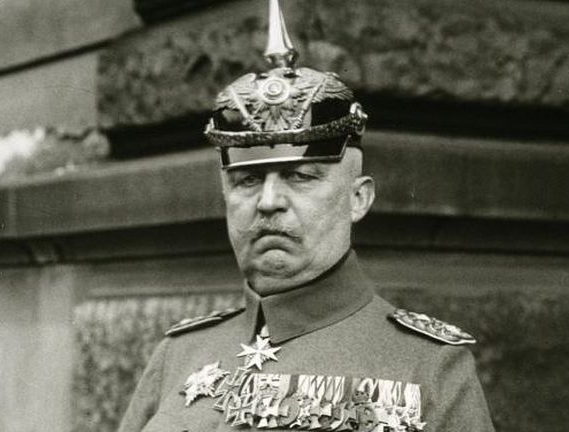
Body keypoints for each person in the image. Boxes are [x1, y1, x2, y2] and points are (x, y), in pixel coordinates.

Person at [118, 1, 495, 430]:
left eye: (299, 176)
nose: (268, 201)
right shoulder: (178, 355)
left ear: (358, 199)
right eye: (247, 180)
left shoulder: (429, 367)